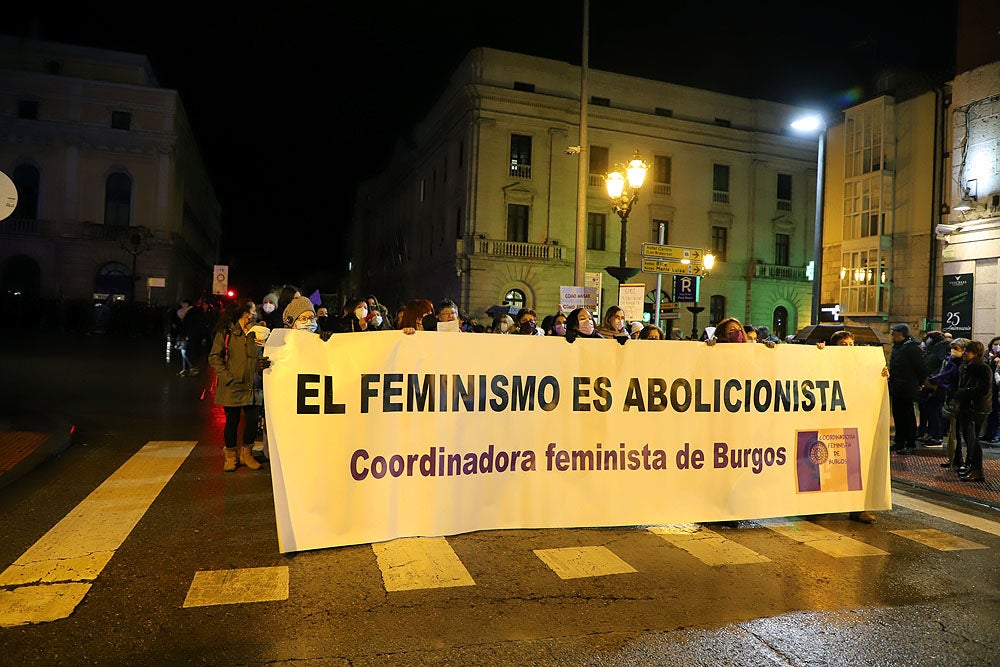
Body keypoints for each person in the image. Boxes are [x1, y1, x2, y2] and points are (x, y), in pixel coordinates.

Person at [207, 298, 267, 472]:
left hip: (254, 384)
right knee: (232, 422)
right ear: (245, 313)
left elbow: (265, 353)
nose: (255, 313)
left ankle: (246, 454)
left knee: (252, 421)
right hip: (232, 385)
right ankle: (231, 456)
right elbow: (214, 357)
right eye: (253, 310)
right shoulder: (226, 332)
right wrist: (228, 377)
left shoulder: (258, 331)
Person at [827, 329, 880, 523]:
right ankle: (818, 506)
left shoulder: (861, 363)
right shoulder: (825, 361)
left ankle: (857, 508)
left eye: (851, 344)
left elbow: (873, 380)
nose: (848, 348)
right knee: (826, 464)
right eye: (843, 345)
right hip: (831, 420)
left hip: (855, 420)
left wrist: (882, 374)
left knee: (855, 465)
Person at [926, 337, 969, 469]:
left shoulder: (965, 365)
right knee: (953, 431)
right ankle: (955, 458)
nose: (953, 351)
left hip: (962, 400)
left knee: (965, 433)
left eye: (956, 348)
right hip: (951, 397)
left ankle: (966, 461)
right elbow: (945, 376)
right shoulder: (951, 361)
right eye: (952, 348)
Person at [887, 323, 927, 454]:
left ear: (900, 333)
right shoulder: (898, 347)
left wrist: (920, 383)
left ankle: (910, 443)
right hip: (897, 386)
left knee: (908, 416)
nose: (892, 335)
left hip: (907, 387)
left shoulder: (911, 348)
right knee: (898, 415)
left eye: (894, 333)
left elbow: (920, 368)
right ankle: (899, 441)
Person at [954, 340, 991, 482]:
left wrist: (963, 393)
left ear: (975, 354)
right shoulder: (966, 367)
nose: (964, 353)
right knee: (969, 440)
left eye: (967, 351)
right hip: (967, 407)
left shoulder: (982, 368)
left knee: (973, 440)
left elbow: (983, 389)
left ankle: (978, 470)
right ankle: (972, 467)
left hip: (976, 409)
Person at [917, 330, 950, 445]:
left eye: (929, 338)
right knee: (930, 409)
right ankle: (932, 434)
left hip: (936, 384)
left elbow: (940, 365)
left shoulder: (941, 348)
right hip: (931, 382)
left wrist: (934, 378)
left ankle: (936, 436)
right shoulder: (935, 348)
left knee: (935, 411)